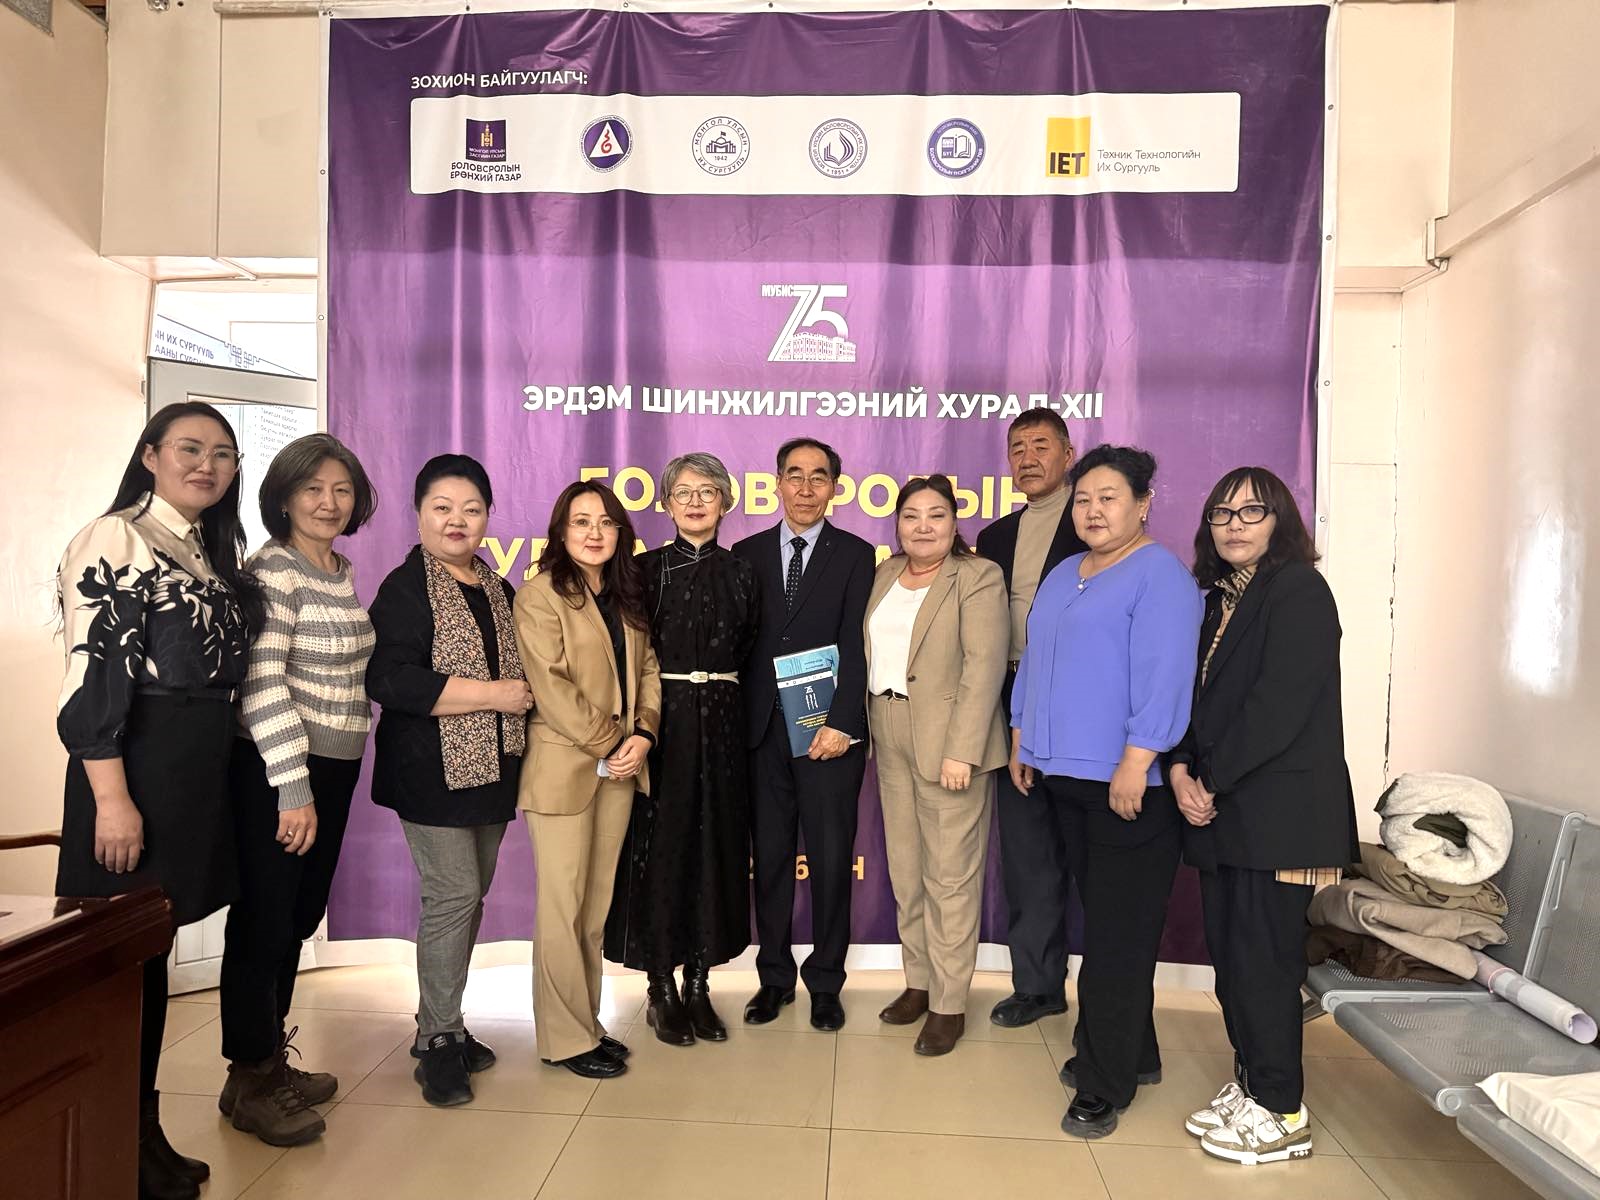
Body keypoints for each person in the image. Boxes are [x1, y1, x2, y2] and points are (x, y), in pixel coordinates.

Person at [55, 400, 262, 1200]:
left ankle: (142, 1132)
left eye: (222, 453)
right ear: (150, 455)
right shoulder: (117, 538)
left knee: (152, 955)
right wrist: (112, 800)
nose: (207, 465)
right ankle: (115, 1140)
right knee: (123, 963)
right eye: (189, 448)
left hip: (192, 770)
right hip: (135, 770)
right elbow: (93, 679)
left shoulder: (203, 547)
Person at [1010, 445, 1203, 1139]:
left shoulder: (1161, 577)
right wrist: (1022, 734)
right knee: (1109, 926)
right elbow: (1036, 660)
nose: (1093, 510)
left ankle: (1103, 1082)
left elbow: (1166, 675)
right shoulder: (1066, 572)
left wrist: (1138, 758)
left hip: (1128, 787)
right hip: (1064, 777)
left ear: (1143, 503)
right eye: (1084, 499)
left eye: (1109, 497)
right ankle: (1135, 1052)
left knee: (1117, 943)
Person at [1169, 467, 1358, 1166]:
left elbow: (1279, 706)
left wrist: (1208, 778)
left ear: (1280, 520)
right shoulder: (1221, 601)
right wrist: (1180, 768)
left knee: (1266, 965)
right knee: (1232, 962)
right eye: (1222, 514)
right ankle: (1252, 1087)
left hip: (1280, 816)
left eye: (1252, 511)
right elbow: (1197, 702)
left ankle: (1282, 1111)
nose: (1235, 525)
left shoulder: (1299, 590)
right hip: (1227, 814)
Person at [218, 433, 377, 1147]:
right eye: (313, 488)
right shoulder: (273, 571)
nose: (328, 502)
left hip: (333, 766)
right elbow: (261, 684)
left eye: (341, 489)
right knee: (264, 918)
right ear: (283, 497)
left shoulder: (338, 570)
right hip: (281, 768)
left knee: (297, 914)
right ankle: (252, 1077)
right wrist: (291, 786)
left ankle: (266, 1063)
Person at [366, 454, 530, 1108]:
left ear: (487, 517)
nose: (456, 520)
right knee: (454, 895)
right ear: (419, 514)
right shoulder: (406, 588)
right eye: (442, 507)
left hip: (492, 769)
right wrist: (492, 694)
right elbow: (390, 680)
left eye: (471, 509)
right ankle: (437, 1037)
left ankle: (446, 1020)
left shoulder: (497, 587)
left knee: (469, 898)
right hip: (429, 773)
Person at [603, 454, 759, 1046]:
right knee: (659, 851)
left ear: (726, 502)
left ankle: (699, 983)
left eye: (708, 491)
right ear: (666, 503)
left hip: (723, 728)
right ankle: (659, 988)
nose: (695, 502)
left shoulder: (743, 573)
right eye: (684, 492)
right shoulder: (642, 572)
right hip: (659, 727)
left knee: (715, 850)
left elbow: (749, 650)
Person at [515, 482, 661, 1078]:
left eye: (605, 522)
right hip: (565, 768)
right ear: (561, 531)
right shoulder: (540, 594)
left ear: (621, 532)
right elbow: (551, 688)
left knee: (594, 908)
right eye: (581, 521)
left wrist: (643, 734)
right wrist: (612, 742)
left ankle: (587, 1023)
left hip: (620, 769)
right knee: (562, 907)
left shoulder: (626, 594)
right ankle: (564, 1038)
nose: (594, 533)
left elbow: (648, 669)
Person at [734, 438, 874, 1032]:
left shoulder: (857, 555)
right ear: (777, 483)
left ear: (835, 487)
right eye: (795, 475)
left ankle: (825, 982)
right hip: (763, 731)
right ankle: (773, 978)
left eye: (819, 477)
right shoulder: (745, 554)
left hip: (828, 735)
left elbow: (857, 645)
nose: (806, 488)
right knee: (768, 861)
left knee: (831, 859)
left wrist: (843, 722)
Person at [866, 475, 1009, 1055]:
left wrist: (962, 749)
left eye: (936, 515)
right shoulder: (885, 574)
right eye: (911, 516)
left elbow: (984, 666)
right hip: (888, 729)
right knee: (906, 869)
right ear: (897, 523)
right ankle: (919, 982)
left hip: (949, 740)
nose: (923, 526)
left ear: (954, 522)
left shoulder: (977, 576)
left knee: (950, 877)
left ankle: (949, 1003)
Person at [975, 409, 1088, 1028]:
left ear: (1068, 454)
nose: (1028, 458)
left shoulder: (1093, 521)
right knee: (1027, 854)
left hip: (1082, 705)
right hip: (1011, 702)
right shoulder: (995, 537)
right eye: (1017, 448)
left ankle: (1111, 997)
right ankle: (1038, 986)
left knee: (1093, 854)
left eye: (1041, 445)